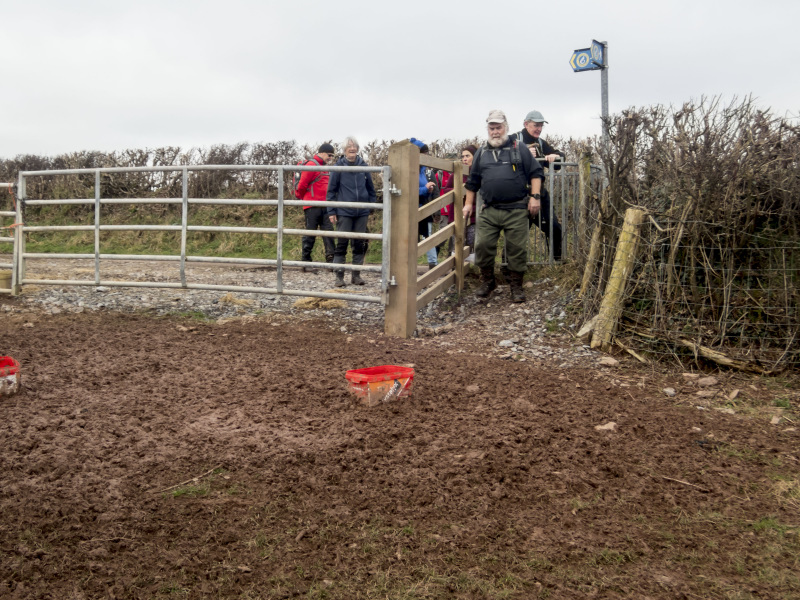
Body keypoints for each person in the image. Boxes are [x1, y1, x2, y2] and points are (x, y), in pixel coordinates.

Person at [463, 110, 543, 303]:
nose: (495, 132)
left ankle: (516, 287)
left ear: (505, 128)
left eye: (498, 127)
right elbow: (473, 182)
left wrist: (535, 197)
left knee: (516, 248)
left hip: (516, 208)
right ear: (488, 129)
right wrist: (468, 205)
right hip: (490, 209)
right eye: (492, 128)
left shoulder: (519, 148)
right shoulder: (482, 152)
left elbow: (536, 173)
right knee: (482, 245)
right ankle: (488, 282)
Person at [510, 110, 565, 261]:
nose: (539, 129)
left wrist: (556, 156)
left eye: (541, 126)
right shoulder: (514, 139)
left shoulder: (541, 143)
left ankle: (555, 264)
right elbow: (500, 155)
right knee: (515, 234)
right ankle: (507, 267)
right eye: (536, 125)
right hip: (518, 195)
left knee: (554, 228)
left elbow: (561, 160)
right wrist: (522, 152)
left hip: (540, 195)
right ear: (526, 124)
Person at [326, 136, 377, 287]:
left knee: (359, 243)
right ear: (344, 150)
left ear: (357, 149)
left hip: (361, 211)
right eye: (349, 146)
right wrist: (331, 211)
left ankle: (356, 275)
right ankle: (339, 276)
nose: (352, 148)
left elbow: (371, 190)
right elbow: (331, 191)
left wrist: (371, 207)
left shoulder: (364, 166)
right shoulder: (338, 167)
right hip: (344, 211)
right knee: (342, 243)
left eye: (354, 146)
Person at [295, 143, 336, 272]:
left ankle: (331, 261)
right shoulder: (312, 166)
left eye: (332, 156)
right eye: (329, 155)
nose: (330, 158)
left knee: (328, 233)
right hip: (312, 206)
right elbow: (301, 186)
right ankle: (306, 261)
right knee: (310, 234)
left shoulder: (324, 168)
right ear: (322, 152)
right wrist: (306, 200)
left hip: (324, 206)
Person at [439, 144, 478, 257]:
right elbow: (446, 190)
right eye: (463, 156)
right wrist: (460, 190)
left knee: (471, 241)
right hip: (457, 213)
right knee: (457, 242)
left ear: (475, 157)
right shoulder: (456, 174)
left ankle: (470, 269)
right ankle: (455, 269)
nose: (464, 159)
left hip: (474, 215)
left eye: (467, 156)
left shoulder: (479, 174)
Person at [409, 138, 438, 270]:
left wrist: (428, 190)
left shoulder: (423, 170)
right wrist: (425, 189)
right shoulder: (409, 168)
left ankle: (432, 264)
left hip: (422, 206)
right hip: (410, 208)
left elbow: (424, 190)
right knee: (411, 237)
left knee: (426, 235)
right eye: (423, 154)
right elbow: (408, 190)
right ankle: (408, 266)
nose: (425, 157)